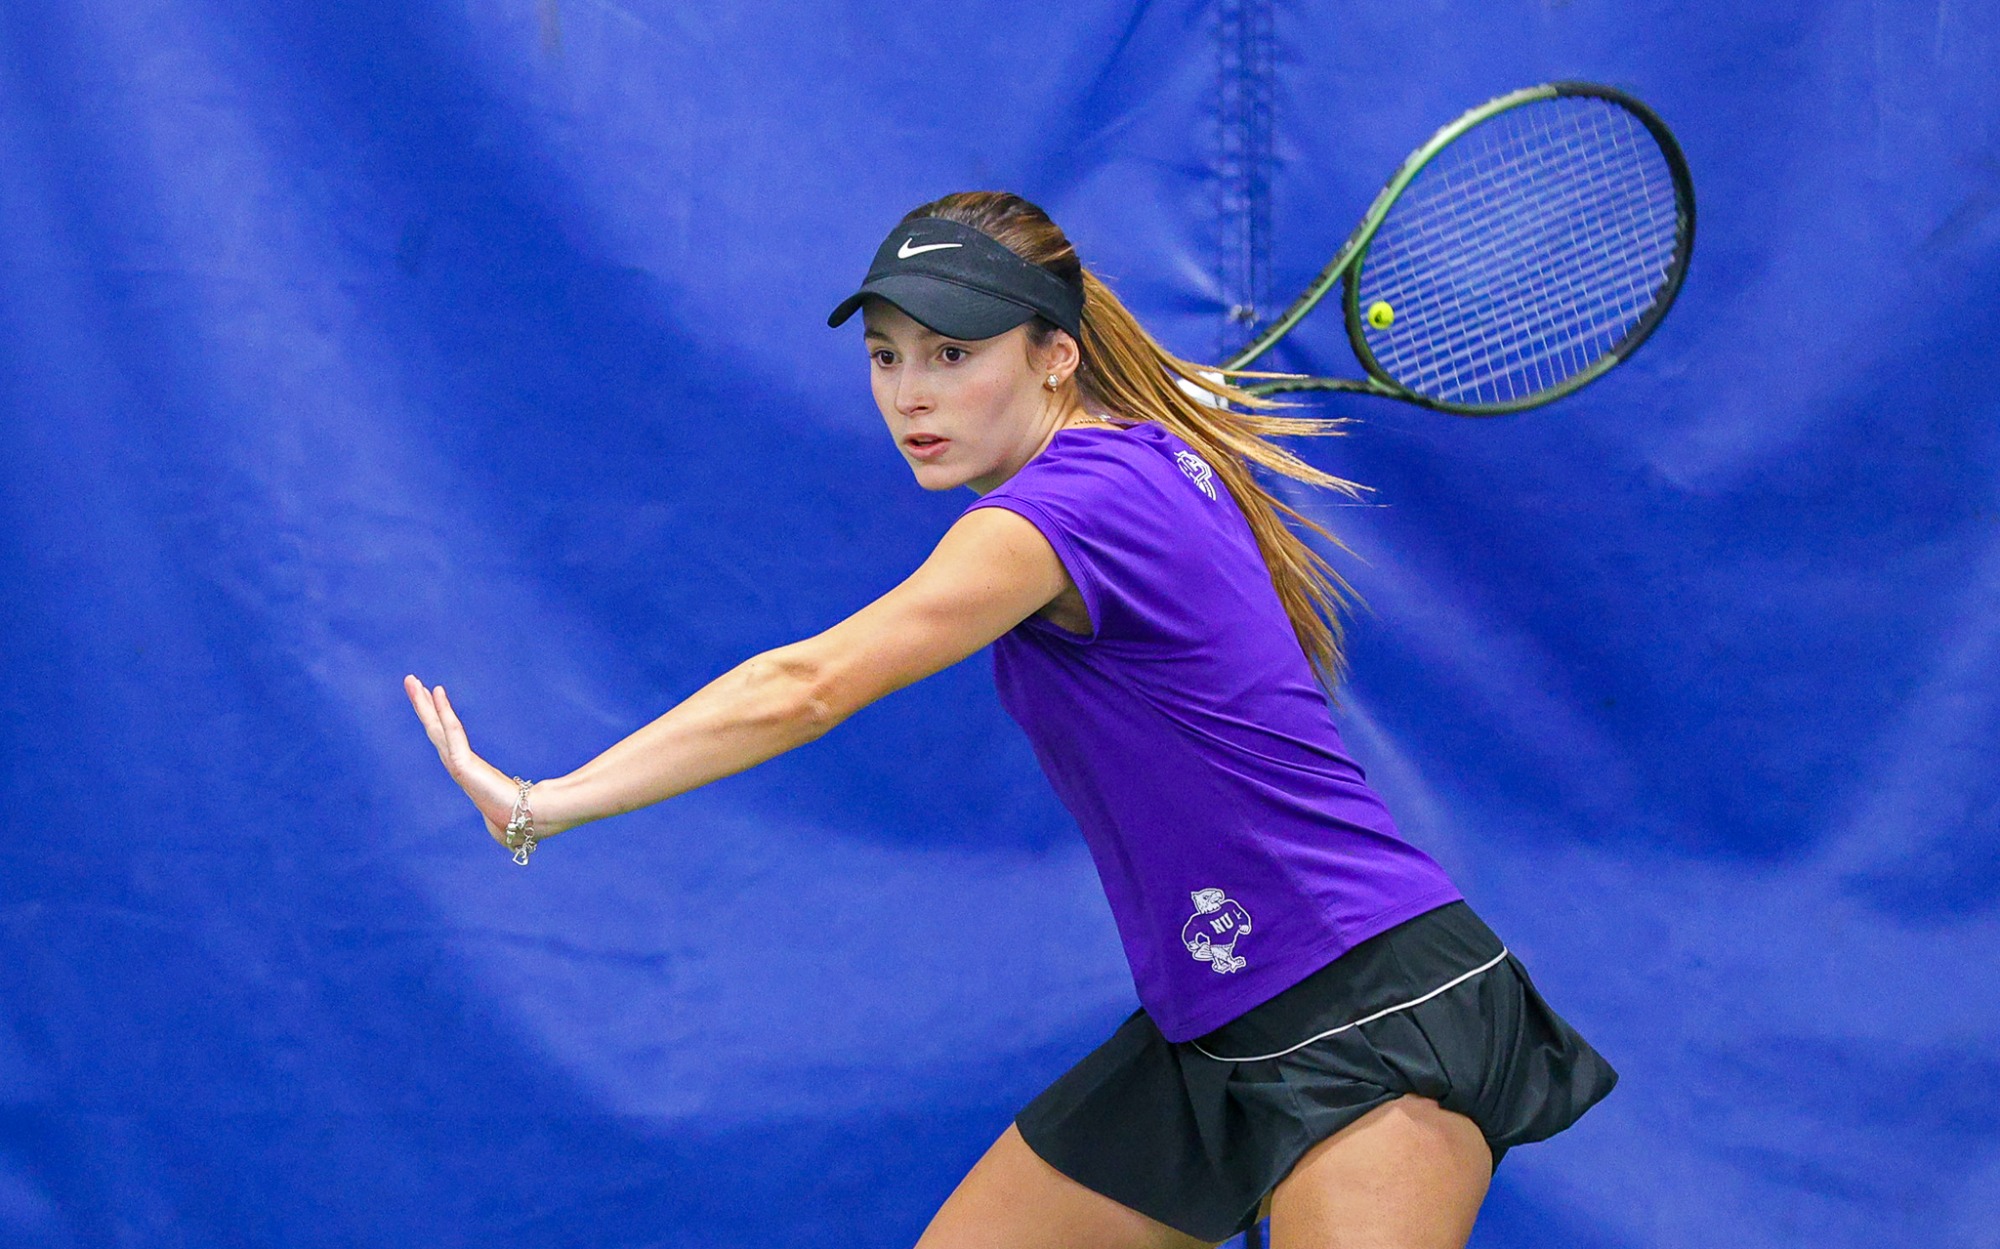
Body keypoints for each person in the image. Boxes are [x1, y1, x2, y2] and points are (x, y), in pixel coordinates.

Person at [405, 191, 1617, 1248]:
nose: (910, 396)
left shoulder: (1063, 512)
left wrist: (539, 802)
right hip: (1214, 1018)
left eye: (950, 353)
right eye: (885, 356)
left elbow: (807, 685)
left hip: (1365, 1002)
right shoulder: (1139, 455)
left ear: (1052, 354)